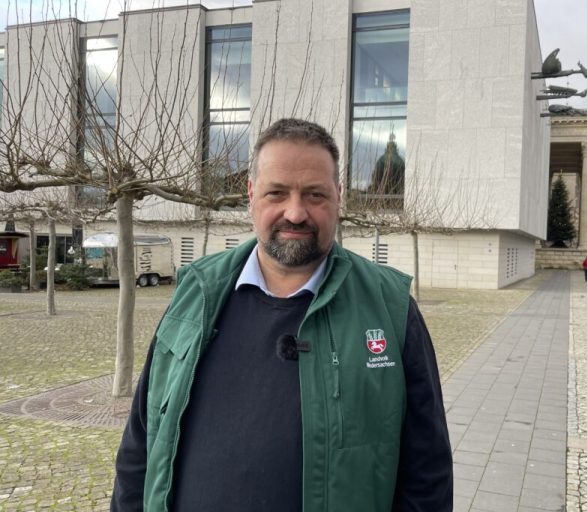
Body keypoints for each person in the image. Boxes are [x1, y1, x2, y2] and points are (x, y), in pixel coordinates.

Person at [111, 119, 453, 511]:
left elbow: (428, 476)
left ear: (339, 197)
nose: (295, 212)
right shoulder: (195, 294)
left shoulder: (390, 310)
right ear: (251, 195)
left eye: (314, 195)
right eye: (277, 193)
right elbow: (141, 444)